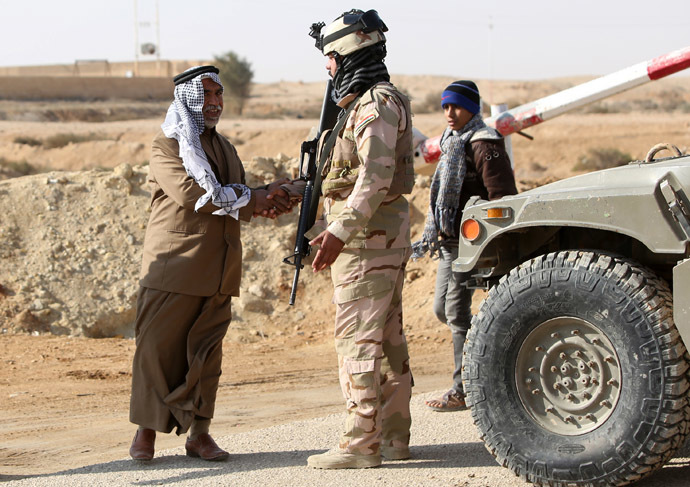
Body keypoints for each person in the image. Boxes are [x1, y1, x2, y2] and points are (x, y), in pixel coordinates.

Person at [128, 65, 291, 462]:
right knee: (156, 351)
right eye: (209, 96)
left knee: (206, 357)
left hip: (219, 268)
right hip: (175, 265)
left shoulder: (225, 147)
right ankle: (145, 433)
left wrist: (273, 197)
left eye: (220, 96)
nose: (217, 103)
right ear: (189, 99)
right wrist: (253, 198)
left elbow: (235, 197)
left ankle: (199, 435)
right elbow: (191, 194)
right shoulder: (166, 144)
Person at [303, 9, 415, 469]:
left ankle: (360, 442)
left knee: (357, 340)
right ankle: (392, 438)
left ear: (346, 52)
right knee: (387, 339)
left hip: (366, 242)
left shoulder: (374, 105)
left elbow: (373, 178)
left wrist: (337, 231)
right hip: (377, 238)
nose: (327, 67)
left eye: (330, 57)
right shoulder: (367, 103)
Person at [412, 80, 517, 412]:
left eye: (455, 106)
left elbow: (502, 198)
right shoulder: (452, 143)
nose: (449, 113)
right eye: (445, 106)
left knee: (456, 313)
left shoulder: (484, 144)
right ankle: (487, 363)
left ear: (472, 107)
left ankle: (465, 388)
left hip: (471, 244)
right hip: (448, 241)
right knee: (442, 310)